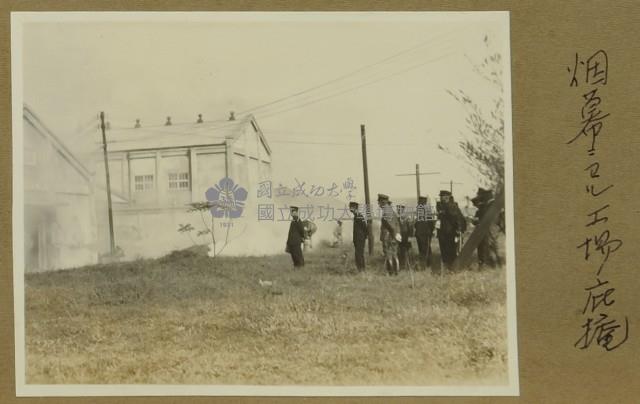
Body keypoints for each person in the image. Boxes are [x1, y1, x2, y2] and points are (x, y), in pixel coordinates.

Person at [471, 188, 500, 268]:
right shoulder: (486, 206)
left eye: (480, 196)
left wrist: (477, 220)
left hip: (490, 229)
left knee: (490, 246)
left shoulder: (491, 206)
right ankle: (488, 264)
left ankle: (494, 264)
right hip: (486, 230)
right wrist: (475, 220)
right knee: (485, 246)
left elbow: (491, 219)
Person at [436, 190, 466, 269]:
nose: (440, 198)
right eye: (440, 196)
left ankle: (452, 267)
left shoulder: (451, 206)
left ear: (446, 197)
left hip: (450, 233)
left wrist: (458, 229)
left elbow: (457, 218)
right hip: (443, 232)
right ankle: (447, 267)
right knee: (444, 251)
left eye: (442, 196)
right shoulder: (442, 206)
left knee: (450, 250)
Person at [378, 194, 401, 275]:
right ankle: (396, 271)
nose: (378, 204)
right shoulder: (391, 210)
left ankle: (391, 271)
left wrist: (393, 234)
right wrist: (397, 234)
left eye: (379, 202)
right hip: (394, 235)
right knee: (394, 253)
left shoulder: (386, 211)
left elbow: (390, 225)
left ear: (382, 202)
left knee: (389, 254)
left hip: (389, 236)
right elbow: (396, 224)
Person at [414, 196, 435, 270]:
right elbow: (431, 223)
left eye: (420, 202)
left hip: (423, 233)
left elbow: (416, 224)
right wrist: (431, 231)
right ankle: (428, 264)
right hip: (424, 233)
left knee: (423, 249)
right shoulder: (426, 211)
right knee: (426, 249)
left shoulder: (421, 210)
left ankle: (424, 265)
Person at [349, 202, 368, 271]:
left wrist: (363, 237)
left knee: (359, 254)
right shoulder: (356, 216)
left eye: (351, 207)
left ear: (355, 208)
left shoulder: (359, 216)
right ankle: (361, 269)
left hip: (360, 239)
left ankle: (361, 269)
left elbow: (365, 228)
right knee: (358, 254)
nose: (350, 209)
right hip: (357, 239)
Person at [396, 204, 414, 270]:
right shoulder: (397, 219)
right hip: (399, 237)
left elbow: (410, 228)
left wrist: (410, 237)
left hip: (406, 236)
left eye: (400, 209)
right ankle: (402, 265)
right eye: (398, 210)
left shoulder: (407, 218)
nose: (399, 211)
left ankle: (409, 265)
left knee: (407, 251)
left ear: (403, 210)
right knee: (400, 251)